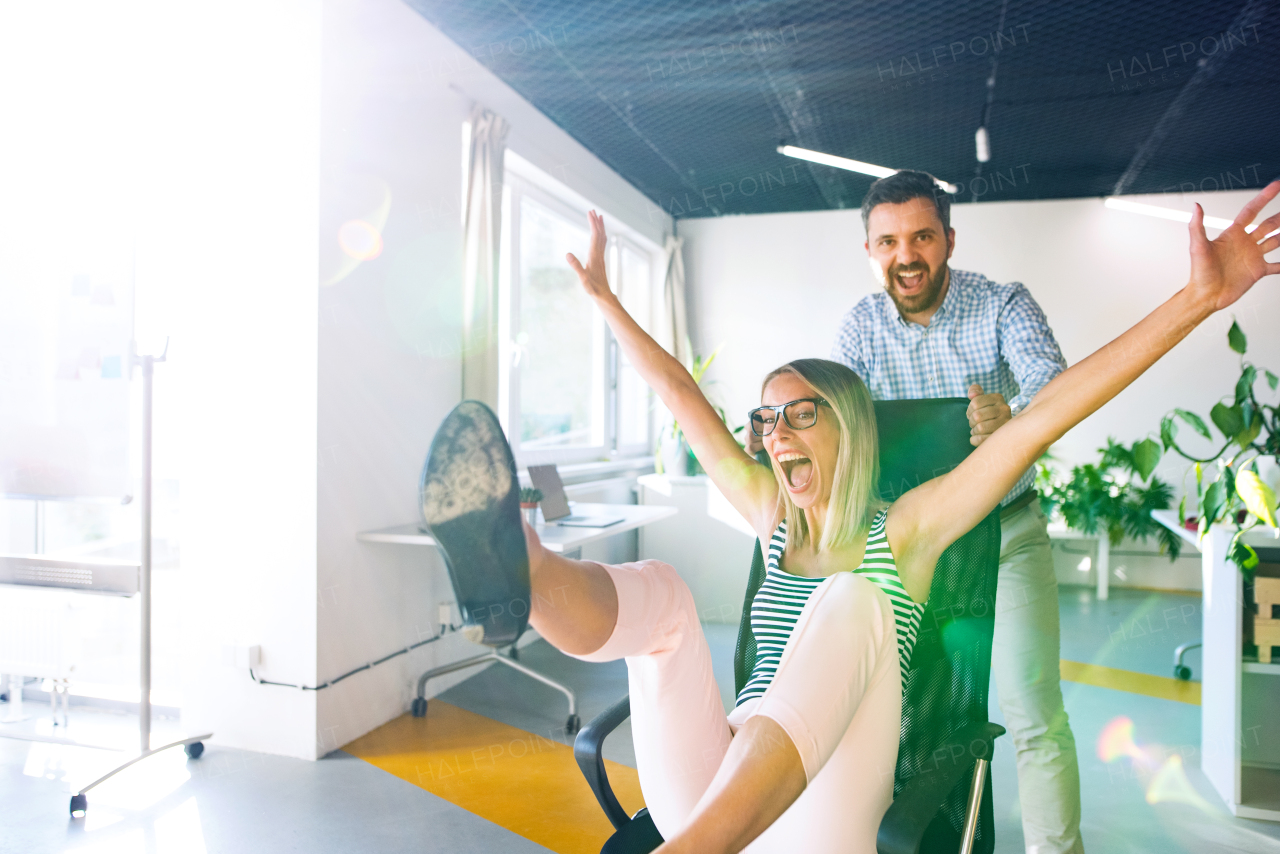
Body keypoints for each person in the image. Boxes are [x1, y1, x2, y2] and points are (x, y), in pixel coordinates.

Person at [424, 186, 1280, 854]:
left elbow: (1047, 413)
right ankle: (520, 572)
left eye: (801, 415)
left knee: (853, 600)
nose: (774, 434)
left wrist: (1199, 300)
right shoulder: (769, 512)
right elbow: (683, 396)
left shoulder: (906, 529)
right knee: (665, 597)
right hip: (719, 796)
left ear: (851, 426)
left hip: (828, 815)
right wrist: (607, 300)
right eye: (766, 420)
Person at [836, 168, 1081, 853]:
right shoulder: (859, 327)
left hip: (1007, 535)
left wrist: (1017, 417)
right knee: (900, 716)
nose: (905, 255)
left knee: (1033, 714)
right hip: (913, 549)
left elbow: (1058, 391)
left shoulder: (1003, 303)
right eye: (887, 241)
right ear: (870, 250)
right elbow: (843, 431)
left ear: (948, 238)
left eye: (921, 237)